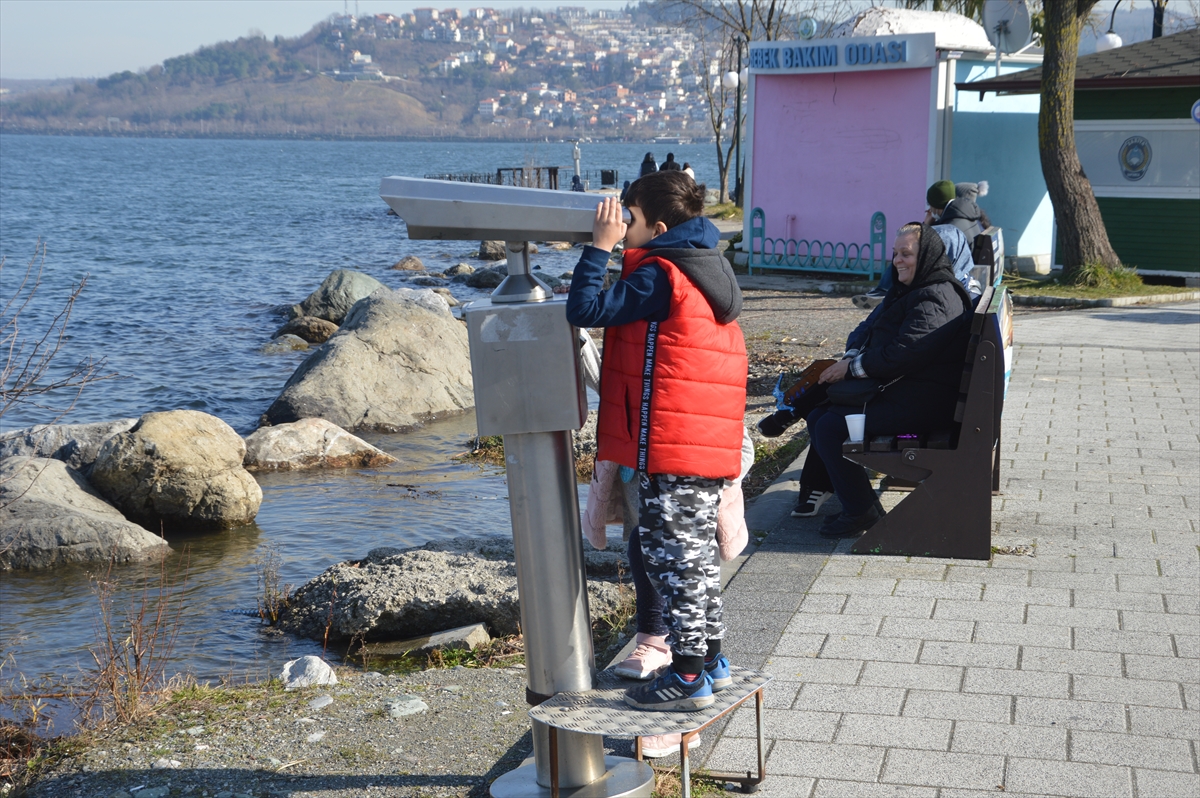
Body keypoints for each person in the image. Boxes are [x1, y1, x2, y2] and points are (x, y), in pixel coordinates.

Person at [566, 170, 747, 712]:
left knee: (673, 560)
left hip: (673, 443)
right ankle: (711, 660)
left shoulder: (662, 275)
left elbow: (586, 310)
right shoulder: (704, 268)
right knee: (695, 559)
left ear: (660, 226)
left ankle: (688, 675)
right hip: (700, 441)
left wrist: (598, 250)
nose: (622, 225)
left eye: (631, 217)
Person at [800, 222, 972, 537]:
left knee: (830, 426)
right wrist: (852, 355)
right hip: (909, 391)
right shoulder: (911, 288)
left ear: (929, 256)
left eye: (906, 254)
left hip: (926, 402)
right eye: (895, 254)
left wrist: (850, 369)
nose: (897, 260)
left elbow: (902, 354)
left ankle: (861, 511)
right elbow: (870, 327)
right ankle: (860, 503)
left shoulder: (937, 296)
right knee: (817, 414)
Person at [852, 180, 983, 310]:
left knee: (904, 253)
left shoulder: (951, 227)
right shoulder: (964, 214)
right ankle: (885, 290)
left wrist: (925, 225)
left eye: (930, 205)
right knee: (904, 253)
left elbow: (927, 244)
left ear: (936, 205)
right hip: (963, 269)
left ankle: (885, 289)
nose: (929, 209)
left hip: (950, 273)